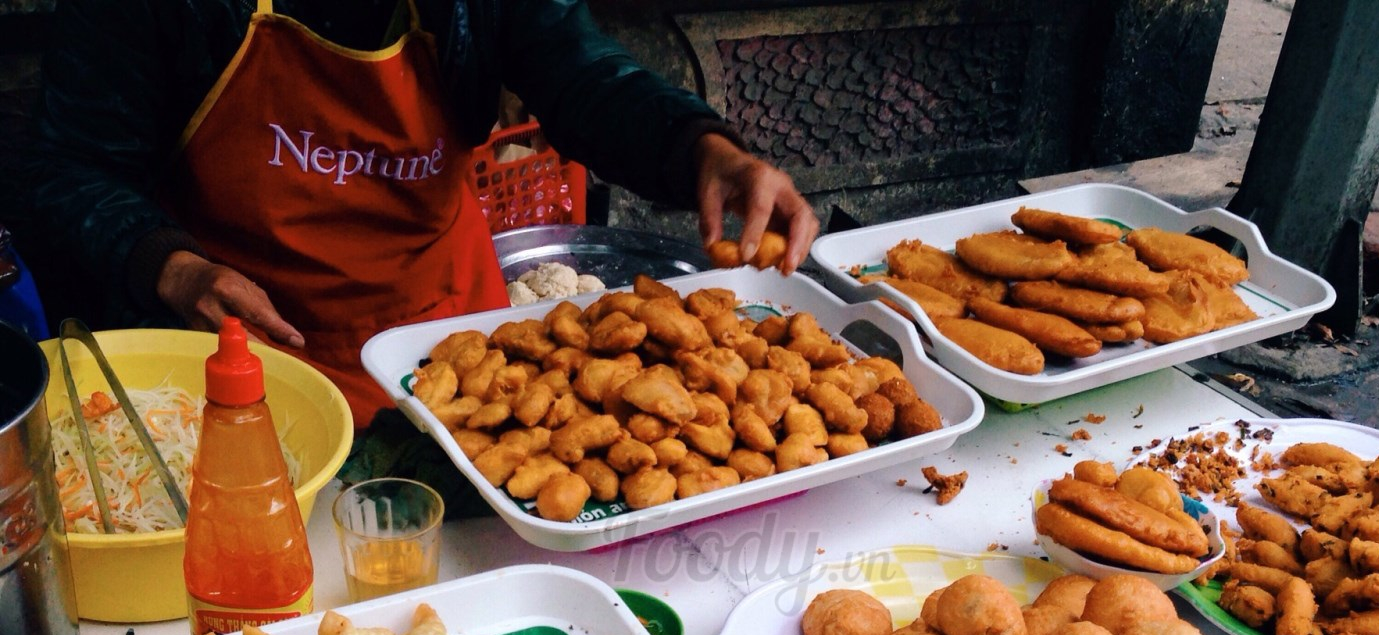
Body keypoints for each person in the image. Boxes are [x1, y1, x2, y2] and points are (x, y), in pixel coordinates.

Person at [3, 0, 818, 428]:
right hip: (244, 370)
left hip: (451, 359)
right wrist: (170, 265)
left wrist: (700, 147)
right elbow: (65, 165)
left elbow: (581, 71)